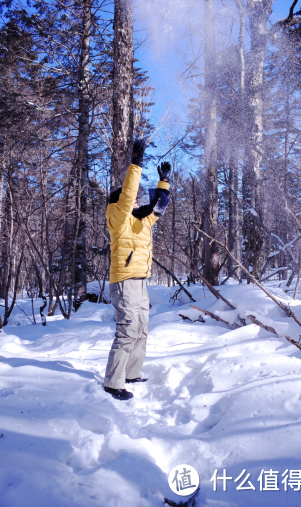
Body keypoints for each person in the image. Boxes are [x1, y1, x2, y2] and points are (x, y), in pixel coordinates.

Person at [104, 139, 171, 400]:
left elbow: (160, 205)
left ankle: (131, 373)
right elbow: (129, 194)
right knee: (127, 330)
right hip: (124, 281)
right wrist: (136, 163)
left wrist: (164, 181)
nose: (136, 203)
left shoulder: (143, 221)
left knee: (141, 329)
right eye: (131, 201)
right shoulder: (117, 219)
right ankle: (113, 382)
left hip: (141, 281)